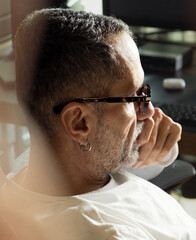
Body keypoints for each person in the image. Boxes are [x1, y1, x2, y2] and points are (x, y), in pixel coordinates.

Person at [0, 8, 195, 239]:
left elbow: (152, 159)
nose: (149, 110)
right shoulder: (108, 231)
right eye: (134, 97)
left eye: (144, 92)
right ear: (79, 123)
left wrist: (163, 149)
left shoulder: (43, 166)